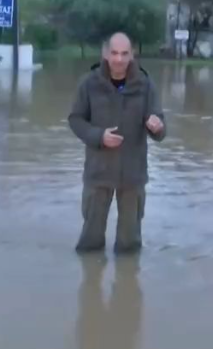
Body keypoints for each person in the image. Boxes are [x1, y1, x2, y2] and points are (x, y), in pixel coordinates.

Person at [68, 33, 166, 254]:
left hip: (133, 175)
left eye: (124, 54)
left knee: (129, 245)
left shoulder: (145, 85)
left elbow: (161, 129)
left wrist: (157, 127)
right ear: (105, 54)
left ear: (132, 55)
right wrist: (98, 136)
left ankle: (128, 283)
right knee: (90, 244)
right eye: (114, 53)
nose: (119, 60)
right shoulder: (89, 84)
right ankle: (90, 282)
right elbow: (75, 120)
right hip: (98, 172)